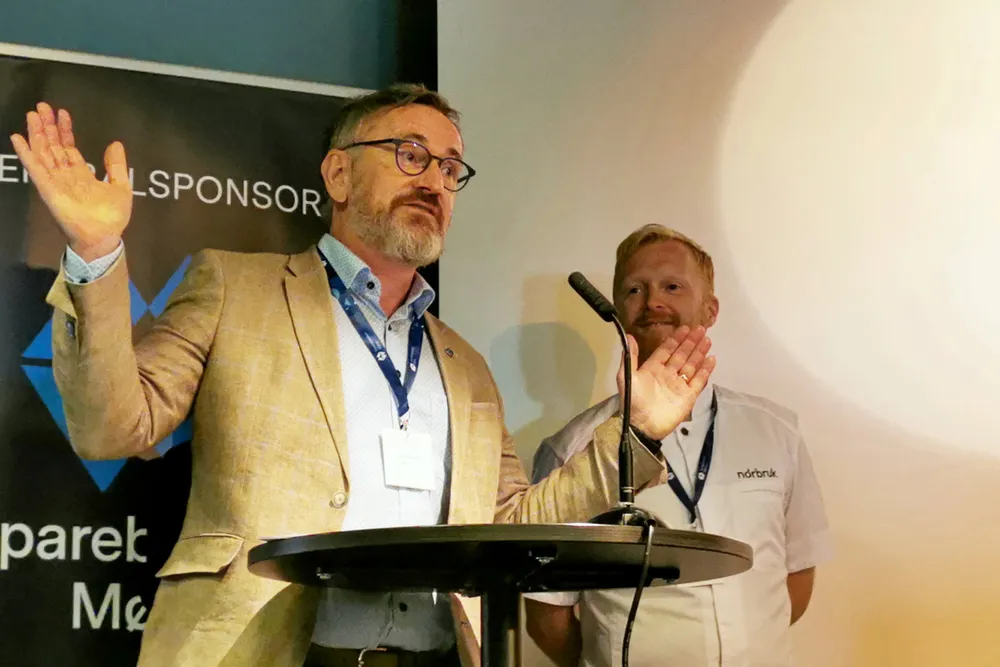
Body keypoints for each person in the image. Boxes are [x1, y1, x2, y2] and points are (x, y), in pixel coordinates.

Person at [9, 87, 717, 667]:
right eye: (410, 154)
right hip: (270, 651)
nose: (433, 180)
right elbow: (112, 428)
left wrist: (636, 433)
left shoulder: (465, 364)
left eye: (450, 168)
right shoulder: (234, 288)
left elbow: (509, 526)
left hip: (435, 657)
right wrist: (97, 253)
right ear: (339, 175)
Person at [523, 225, 834, 667]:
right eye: (634, 289)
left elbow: (797, 575)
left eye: (672, 286)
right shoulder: (570, 450)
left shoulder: (777, 431)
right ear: (617, 311)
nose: (653, 302)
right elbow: (547, 615)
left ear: (710, 309)